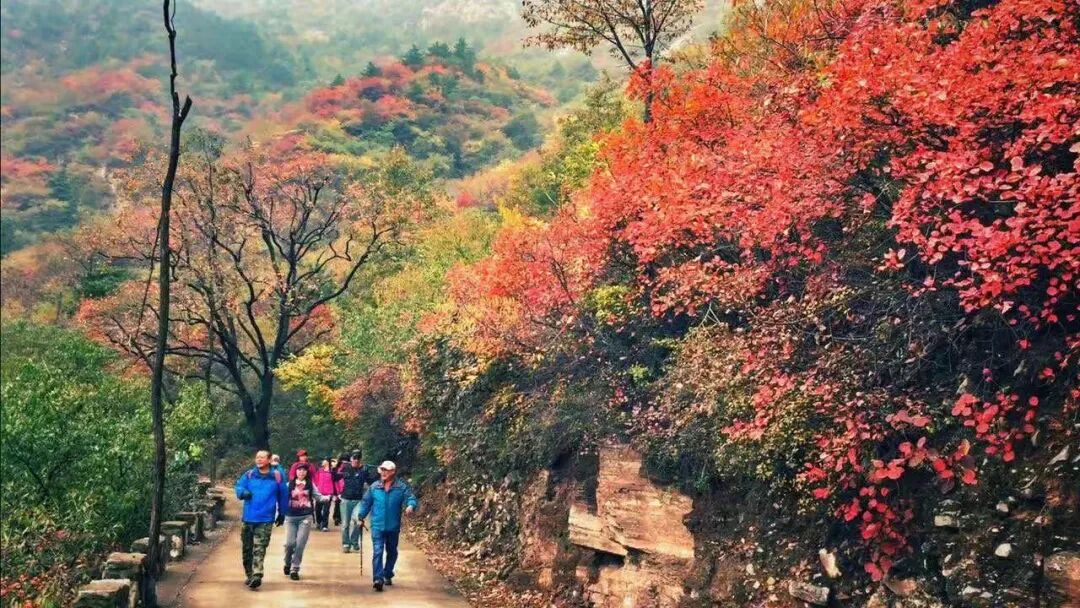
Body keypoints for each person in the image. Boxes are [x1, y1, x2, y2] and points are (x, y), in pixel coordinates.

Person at [355, 460, 417, 591]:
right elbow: (366, 503)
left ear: (393, 472)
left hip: (393, 527)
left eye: (386, 470)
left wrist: (411, 505)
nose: (383, 472)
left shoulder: (401, 487)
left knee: (392, 551)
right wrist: (361, 517)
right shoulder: (374, 487)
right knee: (377, 551)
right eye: (382, 470)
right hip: (377, 526)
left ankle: (388, 573)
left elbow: (410, 497)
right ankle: (378, 578)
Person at [234, 449, 288, 590]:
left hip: (265, 519)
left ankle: (257, 574)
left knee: (259, 547)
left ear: (269, 460)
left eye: (262, 457)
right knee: (247, 549)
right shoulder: (249, 475)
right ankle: (250, 574)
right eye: (257, 457)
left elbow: (283, 495)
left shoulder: (277, 476)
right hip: (248, 518)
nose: (258, 460)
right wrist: (243, 493)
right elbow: (239, 486)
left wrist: (282, 513)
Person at [282, 464, 321, 580]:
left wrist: (328, 497)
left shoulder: (310, 484)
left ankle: (295, 568)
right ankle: (287, 562)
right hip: (290, 517)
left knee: (299, 544)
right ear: (295, 472)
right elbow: (282, 499)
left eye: (304, 470)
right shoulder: (289, 485)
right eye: (299, 470)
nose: (302, 472)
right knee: (289, 544)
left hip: (305, 517)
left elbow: (318, 496)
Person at [339, 450, 375, 553]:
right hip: (346, 499)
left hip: (359, 500)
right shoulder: (345, 468)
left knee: (358, 521)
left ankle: (354, 541)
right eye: (354, 458)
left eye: (358, 458)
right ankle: (346, 543)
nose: (356, 460)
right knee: (345, 524)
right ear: (351, 459)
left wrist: (374, 472)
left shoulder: (364, 470)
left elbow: (371, 481)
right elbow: (335, 476)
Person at [313, 458, 335, 531]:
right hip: (319, 494)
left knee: (326, 510)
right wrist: (315, 489)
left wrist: (336, 493)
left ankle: (325, 525)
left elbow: (335, 482)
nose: (324, 463)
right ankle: (319, 522)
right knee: (318, 509)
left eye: (325, 461)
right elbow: (315, 480)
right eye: (323, 461)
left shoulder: (332, 472)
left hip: (328, 494)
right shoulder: (319, 471)